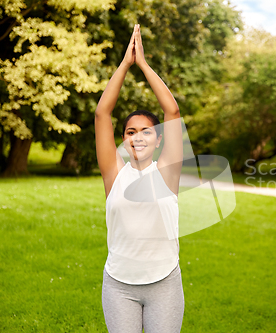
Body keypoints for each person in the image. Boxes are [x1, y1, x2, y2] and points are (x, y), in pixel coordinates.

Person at [95, 24, 184, 333]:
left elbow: (171, 111)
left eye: (146, 131)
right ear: (124, 140)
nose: (138, 137)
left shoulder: (167, 173)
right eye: (131, 132)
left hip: (164, 284)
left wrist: (143, 64)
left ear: (157, 139)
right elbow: (102, 114)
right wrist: (124, 64)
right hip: (119, 285)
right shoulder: (115, 174)